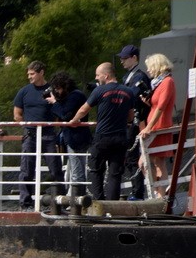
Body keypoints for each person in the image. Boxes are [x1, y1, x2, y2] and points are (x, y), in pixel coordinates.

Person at [68, 62, 136, 201]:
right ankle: (113, 206)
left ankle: (99, 202)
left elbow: (83, 109)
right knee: (115, 174)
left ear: (106, 75)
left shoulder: (99, 91)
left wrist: (74, 121)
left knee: (96, 170)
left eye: (98, 75)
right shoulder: (128, 92)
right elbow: (131, 116)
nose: (96, 78)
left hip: (103, 137)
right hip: (120, 137)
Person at [14, 60, 64, 208]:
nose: (29, 77)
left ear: (41, 72)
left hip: (48, 134)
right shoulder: (24, 91)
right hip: (30, 134)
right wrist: (26, 125)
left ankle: (59, 202)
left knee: (55, 168)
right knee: (27, 170)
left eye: (32, 74)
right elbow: (17, 114)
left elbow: (60, 111)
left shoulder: (53, 90)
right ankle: (25, 203)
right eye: (28, 74)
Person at [139, 53, 177, 199]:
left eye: (149, 67)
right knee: (154, 161)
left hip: (160, 126)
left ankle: (160, 194)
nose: (148, 70)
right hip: (155, 124)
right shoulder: (159, 82)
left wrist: (148, 128)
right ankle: (159, 193)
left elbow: (161, 107)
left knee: (151, 161)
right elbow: (157, 105)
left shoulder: (167, 82)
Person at [47, 71, 91, 197]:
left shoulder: (75, 96)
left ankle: (77, 201)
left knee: (77, 170)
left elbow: (65, 115)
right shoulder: (74, 95)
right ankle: (74, 198)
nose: (57, 92)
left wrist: (55, 103)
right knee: (74, 169)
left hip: (76, 137)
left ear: (64, 86)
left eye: (58, 89)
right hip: (74, 137)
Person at [118, 45, 151, 200]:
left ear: (134, 58)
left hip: (137, 121)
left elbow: (132, 96)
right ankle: (135, 190)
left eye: (125, 58)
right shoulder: (128, 77)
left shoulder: (139, 76)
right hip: (128, 121)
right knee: (129, 157)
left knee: (133, 156)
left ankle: (138, 192)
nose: (122, 61)